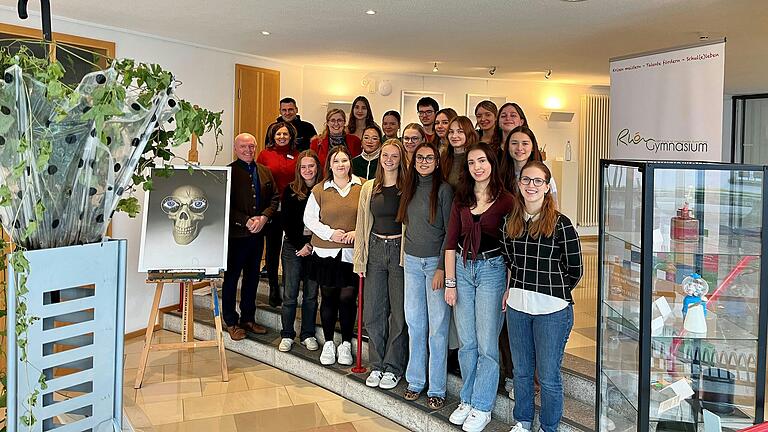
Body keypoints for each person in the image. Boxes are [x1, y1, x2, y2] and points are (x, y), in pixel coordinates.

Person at [501, 161, 582, 432]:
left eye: (538, 181)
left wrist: (552, 290)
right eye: (526, 180)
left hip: (552, 311)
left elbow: (575, 269)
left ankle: (549, 427)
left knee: (548, 377)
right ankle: (523, 422)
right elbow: (510, 261)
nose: (531, 186)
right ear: (519, 184)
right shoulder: (510, 222)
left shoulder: (561, 224)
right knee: (521, 373)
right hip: (518, 307)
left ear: (547, 187)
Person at [445, 142, 515, 432]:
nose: (477, 166)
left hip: (492, 271)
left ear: (492, 164)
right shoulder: (461, 199)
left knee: (487, 345)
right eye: (472, 162)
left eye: (482, 161)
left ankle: (483, 406)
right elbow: (450, 243)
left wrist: (510, 286)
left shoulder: (507, 201)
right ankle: (467, 399)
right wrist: (450, 283)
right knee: (467, 342)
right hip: (462, 268)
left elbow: (513, 248)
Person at [397, 142, 454, 410]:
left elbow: (449, 234)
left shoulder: (443, 191)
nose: (423, 162)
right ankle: (416, 381)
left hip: (434, 265)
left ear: (437, 161)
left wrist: (442, 267)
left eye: (429, 158)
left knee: (437, 329)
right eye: (419, 157)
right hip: (411, 262)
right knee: (415, 324)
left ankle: (437, 388)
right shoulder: (408, 189)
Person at [353, 139, 409, 390]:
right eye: (385, 154)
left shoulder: (407, 186)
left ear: (400, 158)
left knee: (398, 313)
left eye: (394, 155)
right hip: (375, 249)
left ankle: (394, 366)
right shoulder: (369, 188)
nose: (388, 159)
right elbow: (362, 223)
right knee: (374, 311)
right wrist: (360, 259)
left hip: (400, 252)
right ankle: (377, 364)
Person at [303, 145, 363, 366]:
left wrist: (358, 231)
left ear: (350, 163)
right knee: (328, 297)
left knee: (348, 298)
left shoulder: (362, 186)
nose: (341, 165)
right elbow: (309, 219)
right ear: (329, 164)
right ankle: (329, 342)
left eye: (345, 160)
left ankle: (346, 343)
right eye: (336, 161)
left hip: (351, 253)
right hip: (326, 252)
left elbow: (369, 215)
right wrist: (331, 234)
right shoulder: (320, 189)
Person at [222, 133, 279, 340]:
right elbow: (224, 204)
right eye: (244, 147)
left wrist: (264, 217)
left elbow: (274, 198)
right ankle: (230, 321)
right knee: (231, 279)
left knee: (252, 278)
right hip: (236, 237)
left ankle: (248, 318)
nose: (248, 150)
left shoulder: (264, 171)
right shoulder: (228, 172)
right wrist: (245, 220)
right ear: (236, 148)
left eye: (251, 146)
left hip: (257, 236)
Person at [278, 150, 323, 352]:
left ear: (317, 167)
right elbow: (286, 221)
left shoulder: (324, 190)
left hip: (316, 247)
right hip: (293, 247)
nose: (307, 170)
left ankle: (307, 334)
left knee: (311, 295)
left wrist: (311, 245)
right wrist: (300, 246)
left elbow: (326, 221)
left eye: (311, 166)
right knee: (290, 294)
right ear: (298, 169)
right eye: (303, 167)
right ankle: (287, 334)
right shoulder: (290, 190)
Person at [257, 122, 300, 307]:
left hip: (293, 208)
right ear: (272, 136)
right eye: (278, 134)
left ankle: (291, 286)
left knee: (292, 248)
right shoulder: (264, 155)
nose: (282, 137)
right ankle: (274, 287)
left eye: (285, 134)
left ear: (291, 136)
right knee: (273, 250)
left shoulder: (298, 155)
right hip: (273, 207)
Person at [500, 126, 558, 205]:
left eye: (525, 143)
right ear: (507, 147)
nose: (519, 148)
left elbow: (553, 205)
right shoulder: (499, 173)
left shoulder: (543, 173)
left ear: (533, 147)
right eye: (514, 143)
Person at [442, 116, 478, 190]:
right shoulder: (444, 156)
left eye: (460, 131)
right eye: (451, 132)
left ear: (468, 133)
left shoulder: (475, 158)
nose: (454, 136)